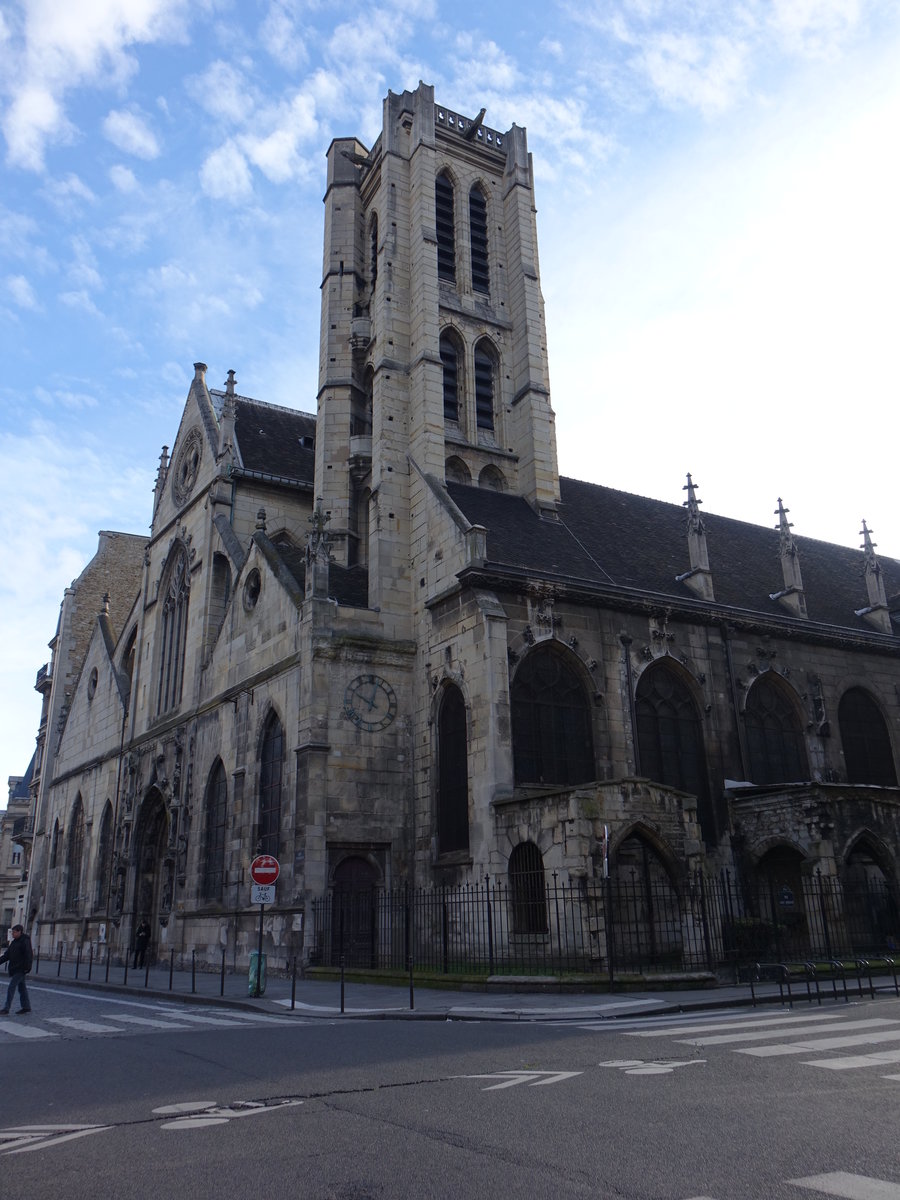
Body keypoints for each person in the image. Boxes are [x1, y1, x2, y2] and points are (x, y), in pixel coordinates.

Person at [0, 924, 33, 1014]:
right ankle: (26, 1006)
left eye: (14, 932)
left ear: (19, 932)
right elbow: (7, 955)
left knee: (12, 987)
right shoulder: (14, 942)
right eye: (12, 932)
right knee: (22, 988)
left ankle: (6, 1008)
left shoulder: (25, 941)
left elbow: (28, 955)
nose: (12, 934)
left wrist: (27, 968)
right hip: (15, 968)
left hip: (21, 968)